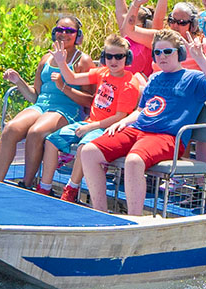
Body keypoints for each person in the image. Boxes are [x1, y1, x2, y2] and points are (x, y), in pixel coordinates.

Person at [80, 29, 206, 217]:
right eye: (157, 52)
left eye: (167, 52)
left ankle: (134, 219)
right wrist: (122, 121)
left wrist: (200, 58)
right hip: (139, 129)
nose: (161, 56)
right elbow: (140, 111)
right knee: (89, 152)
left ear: (179, 53)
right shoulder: (154, 78)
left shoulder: (193, 78)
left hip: (168, 137)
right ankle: (100, 212)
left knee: (134, 161)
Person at [40, 33, 145, 203]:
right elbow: (72, 78)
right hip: (89, 123)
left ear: (127, 58)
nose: (114, 60)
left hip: (106, 128)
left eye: (119, 56)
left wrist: (91, 127)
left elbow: (119, 117)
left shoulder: (129, 83)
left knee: (84, 146)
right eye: (109, 56)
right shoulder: (102, 72)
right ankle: (44, 187)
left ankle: (71, 188)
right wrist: (61, 63)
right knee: (51, 141)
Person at [0, 14, 95, 188]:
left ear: (78, 35)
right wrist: (18, 81)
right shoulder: (46, 59)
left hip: (67, 109)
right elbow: (35, 96)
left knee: (35, 132)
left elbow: (89, 101)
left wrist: (64, 87)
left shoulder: (83, 61)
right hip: (42, 106)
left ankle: (27, 182)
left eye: (69, 31)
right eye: (59, 30)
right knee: (10, 129)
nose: (64, 34)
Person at [115, 0, 172, 77]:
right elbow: (121, 12)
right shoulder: (126, 37)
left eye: (132, 23)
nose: (127, 24)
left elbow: (158, 20)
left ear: (144, 25)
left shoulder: (151, 40)